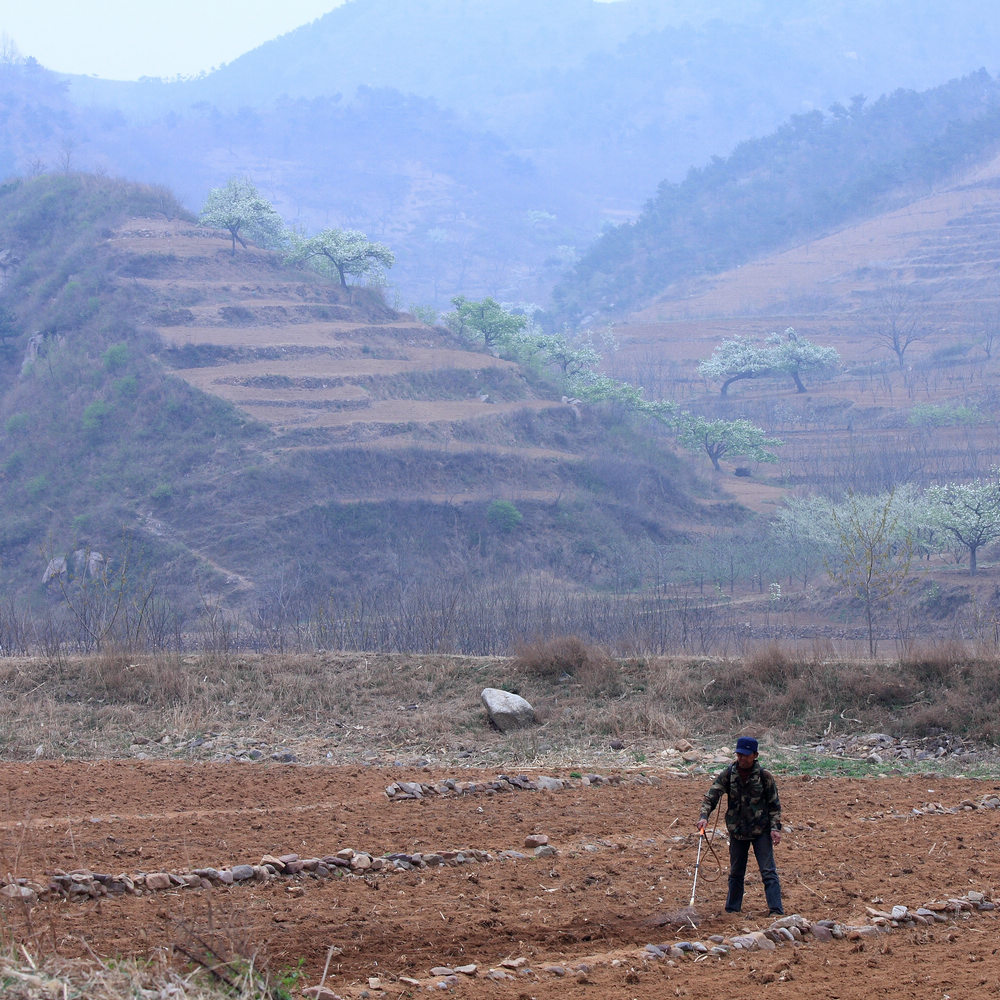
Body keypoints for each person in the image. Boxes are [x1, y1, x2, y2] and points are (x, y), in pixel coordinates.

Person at [697, 736, 784, 916]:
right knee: (736, 873)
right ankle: (732, 910)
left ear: (755, 755)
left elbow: (774, 805)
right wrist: (704, 816)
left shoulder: (764, 776)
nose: (742, 759)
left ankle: (776, 910)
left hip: (761, 831)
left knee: (768, 872)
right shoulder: (729, 774)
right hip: (737, 832)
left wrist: (775, 829)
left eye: (745, 755)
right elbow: (711, 796)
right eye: (739, 755)